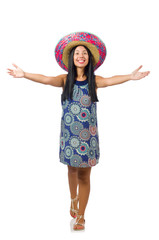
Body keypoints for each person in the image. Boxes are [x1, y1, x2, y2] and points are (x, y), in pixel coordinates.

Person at [7, 32, 150, 231]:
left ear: (89, 58)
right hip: (68, 136)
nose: (80, 55)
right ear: (71, 58)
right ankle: (73, 198)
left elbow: (110, 80)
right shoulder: (65, 80)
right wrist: (25, 74)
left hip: (88, 138)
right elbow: (46, 79)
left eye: (84, 53)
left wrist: (130, 77)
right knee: (71, 170)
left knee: (84, 176)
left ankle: (81, 216)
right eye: (77, 53)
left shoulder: (95, 81)